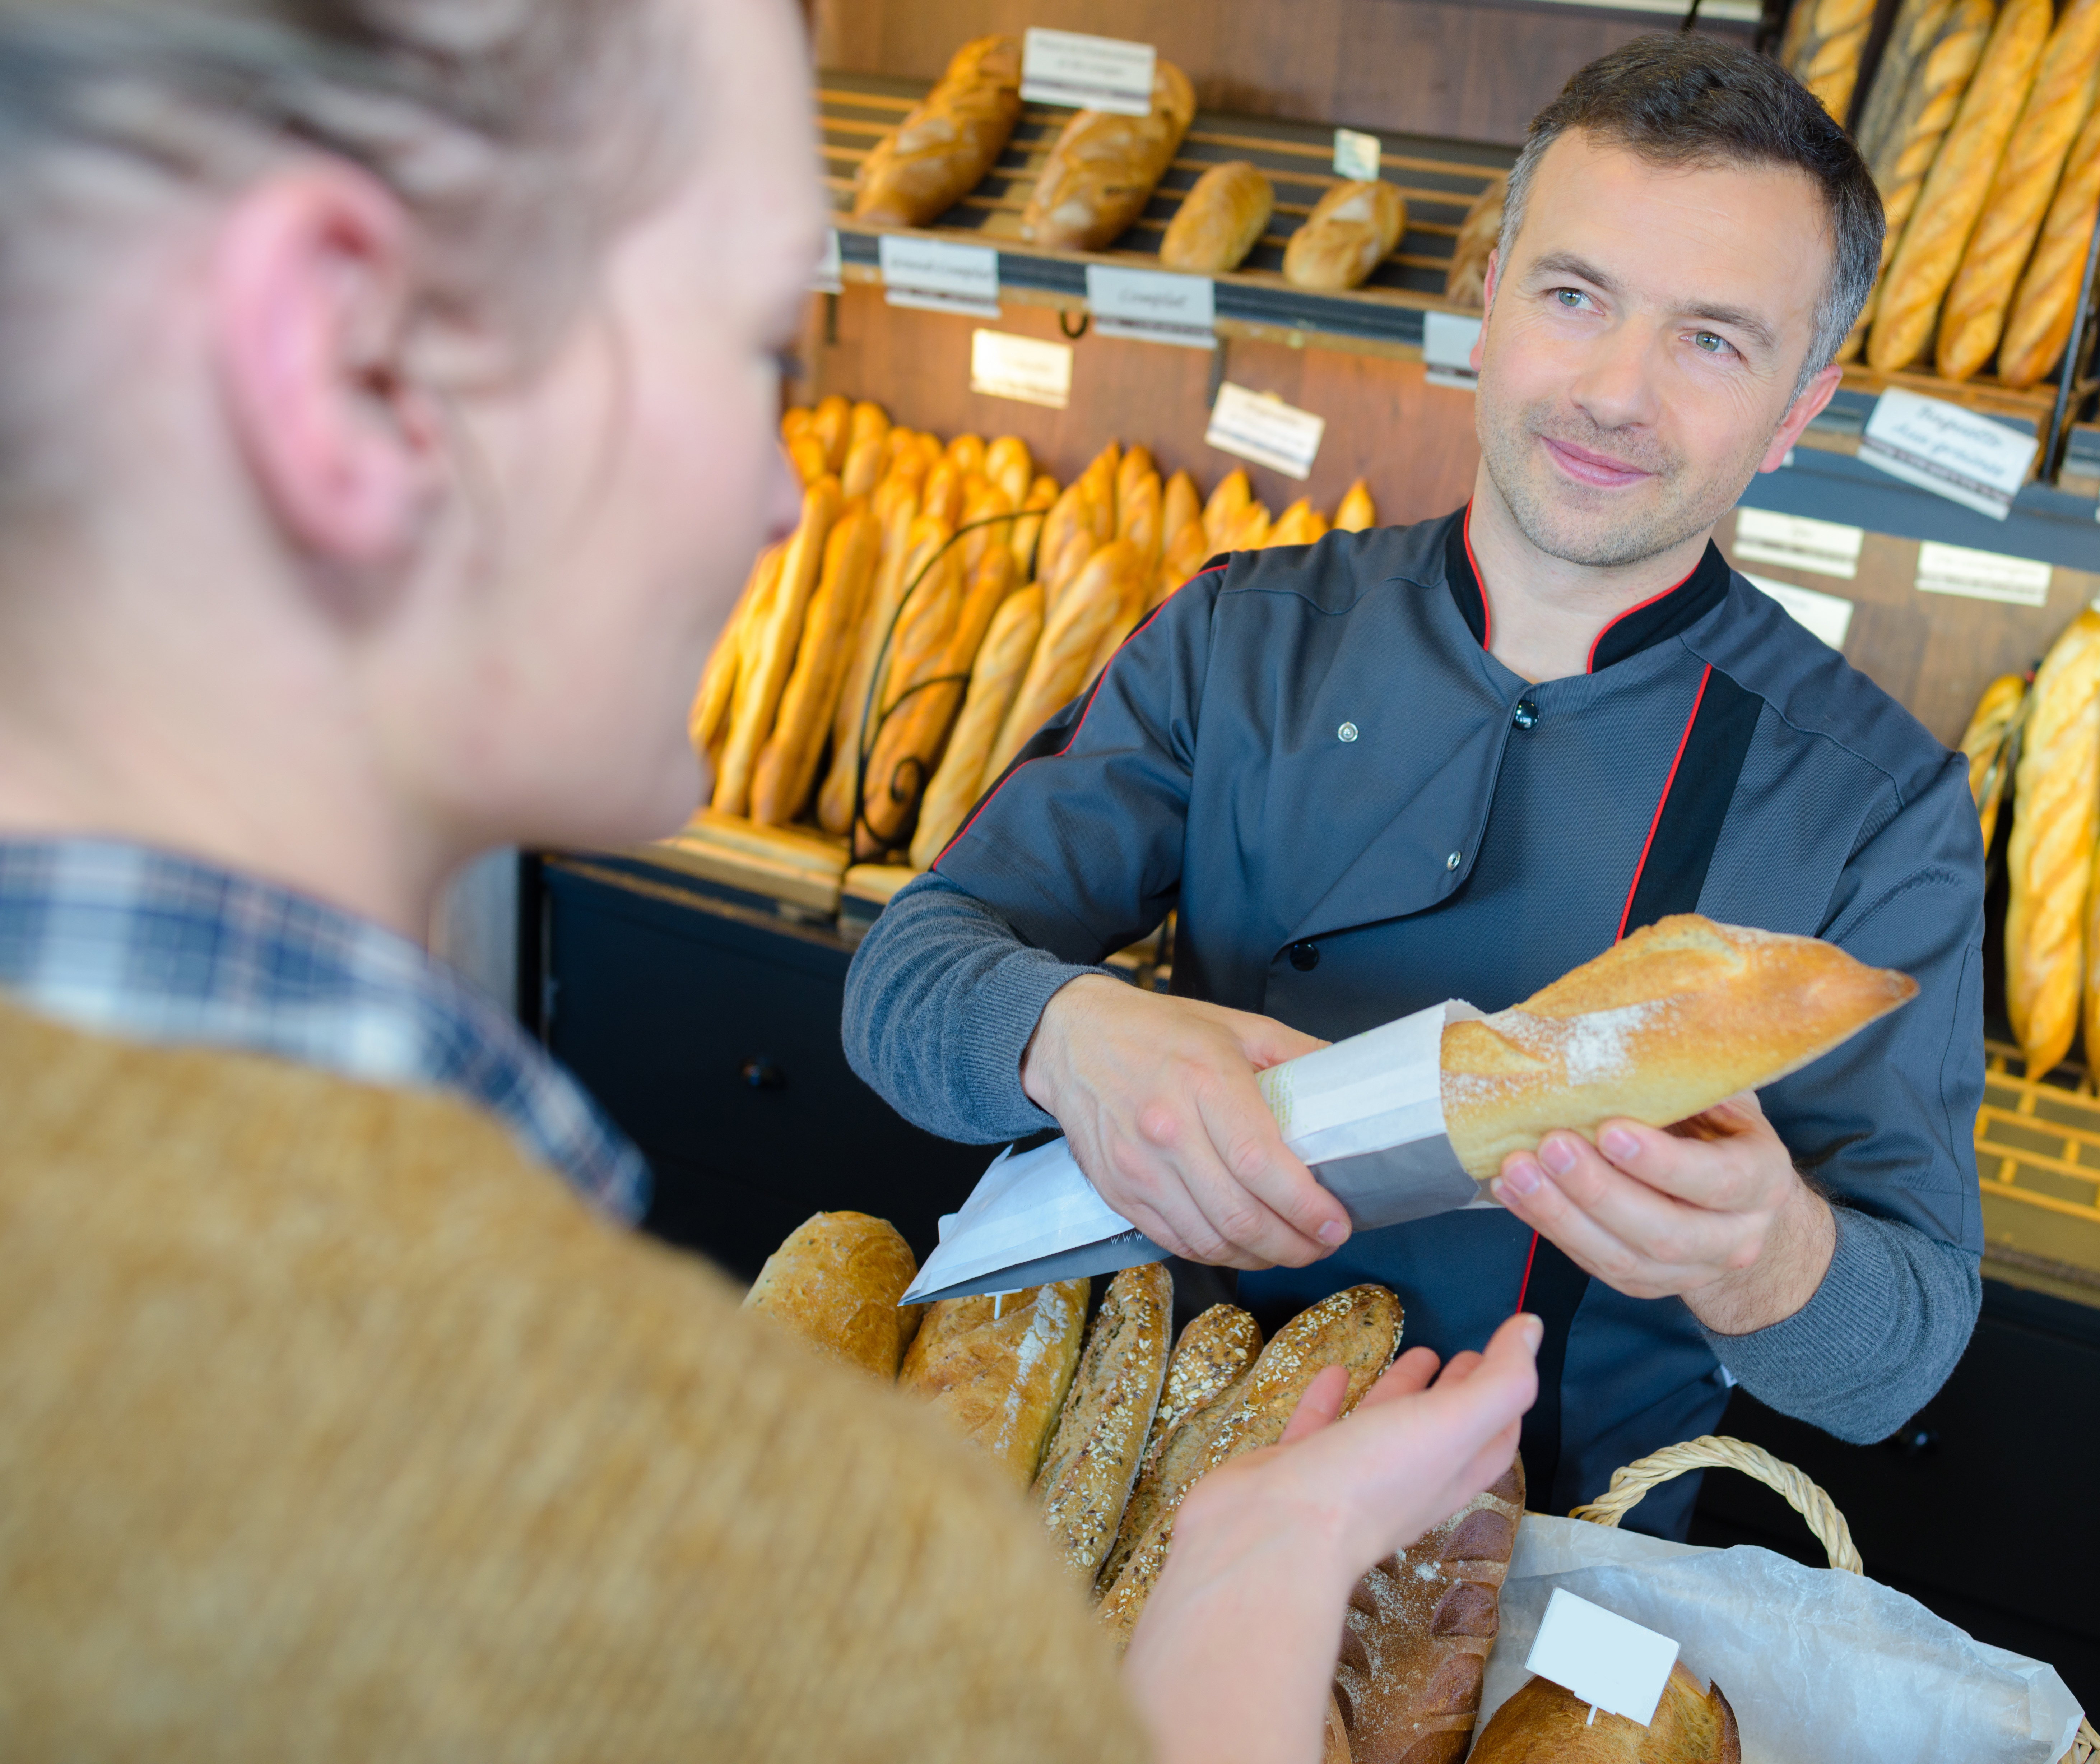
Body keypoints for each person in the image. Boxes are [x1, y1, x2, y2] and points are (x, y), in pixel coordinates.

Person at [0, 1, 1537, 1758]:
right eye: (749, 354)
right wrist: (1266, 1565)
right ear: (347, 360)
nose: (784, 501)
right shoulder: (671, 1536)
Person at [847, 33, 1987, 1539]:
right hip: (1145, 1495)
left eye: (1712, 341)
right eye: (1574, 297)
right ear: (1489, 297)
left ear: (1797, 410)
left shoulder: (1878, 802)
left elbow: (1898, 1354)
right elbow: (901, 983)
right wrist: (1068, 1031)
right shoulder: (1237, 632)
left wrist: (1767, 1256)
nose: (1613, 393)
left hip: (1545, 1540)